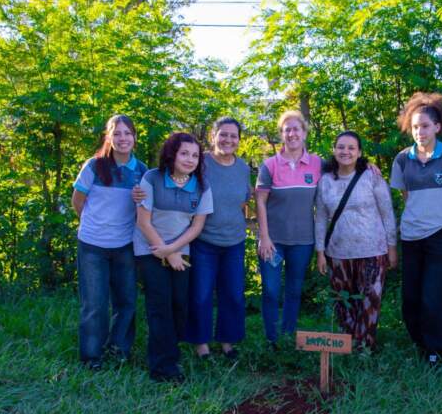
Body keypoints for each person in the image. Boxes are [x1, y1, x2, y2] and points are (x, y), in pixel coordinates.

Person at [390, 92, 442, 366]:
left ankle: (440, 354)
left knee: (433, 298)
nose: (419, 132)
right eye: (415, 127)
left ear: (437, 126)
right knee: (411, 300)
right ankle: (423, 346)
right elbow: (406, 196)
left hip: (441, 235)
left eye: (424, 126)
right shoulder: (402, 159)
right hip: (411, 236)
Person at [134, 132, 213, 382]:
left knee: (179, 304)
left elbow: (196, 227)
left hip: (180, 251)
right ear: (171, 154)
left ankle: (171, 351)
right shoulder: (152, 179)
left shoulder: (202, 186)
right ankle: (162, 367)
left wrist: (172, 251)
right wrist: (165, 251)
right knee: (160, 306)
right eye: (184, 153)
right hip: (150, 249)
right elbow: (143, 222)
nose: (190, 159)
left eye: (195, 155)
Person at [72, 114, 147, 370]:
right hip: (92, 245)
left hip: (125, 246)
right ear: (109, 137)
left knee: (126, 302)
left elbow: (145, 210)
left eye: (127, 133)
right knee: (95, 303)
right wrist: (94, 225)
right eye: (117, 133)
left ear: (134, 137)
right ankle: (92, 357)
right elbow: (77, 201)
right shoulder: (94, 166)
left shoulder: (142, 171)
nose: (122, 138)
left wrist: (140, 199)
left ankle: (119, 350)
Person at [315, 131, 397, 350]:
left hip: (372, 251)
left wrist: (392, 247)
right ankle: (347, 346)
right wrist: (320, 252)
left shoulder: (372, 176)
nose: (346, 152)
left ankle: (365, 349)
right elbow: (321, 219)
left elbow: (387, 213)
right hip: (337, 253)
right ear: (334, 150)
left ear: (359, 152)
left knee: (370, 301)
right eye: (341, 147)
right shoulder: (325, 181)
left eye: (351, 148)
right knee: (344, 303)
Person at [185, 117, 252, 360]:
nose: (228, 140)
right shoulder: (200, 162)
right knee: (201, 294)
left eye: (233, 136)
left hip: (234, 241)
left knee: (233, 293)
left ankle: (227, 341)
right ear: (213, 136)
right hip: (204, 240)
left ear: (239, 140)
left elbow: (244, 200)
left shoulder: (243, 168)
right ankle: (201, 343)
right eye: (223, 134)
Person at [255, 110, 322, 349]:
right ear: (282, 134)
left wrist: (368, 166)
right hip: (273, 242)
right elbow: (260, 201)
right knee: (271, 291)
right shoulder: (270, 165)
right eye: (287, 130)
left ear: (304, 133)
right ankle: (272, 340)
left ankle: (288, 336)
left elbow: (346, 168)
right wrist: (264, 237)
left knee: (294, 291)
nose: (292, 134)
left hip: (303, 241)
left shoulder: (317, 163)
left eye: (296, 129)